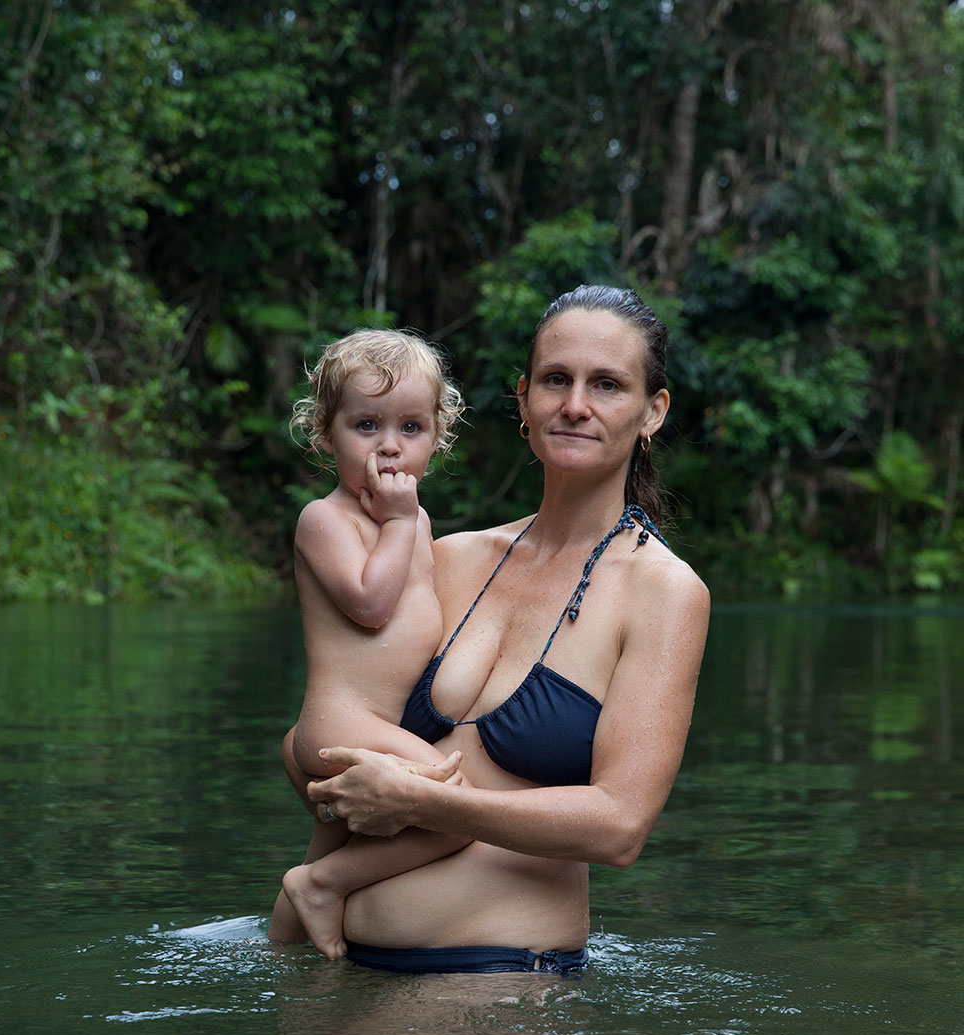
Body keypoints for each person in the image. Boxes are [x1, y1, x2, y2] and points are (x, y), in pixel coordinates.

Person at [279, 284, 711, 974]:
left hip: (498, 987)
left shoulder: (663, 592)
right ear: (524, 399)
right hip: (328, 971)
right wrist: (332, 787)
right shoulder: (446, 559)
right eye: (555, 380)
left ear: (651, 411)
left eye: (606, 384)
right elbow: (326, 729)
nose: (575, 404)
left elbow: (620, 827)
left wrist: (419, 799)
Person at [268, 328, 469, 958]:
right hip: (343, 722)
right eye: (366, 426)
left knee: (335, 839)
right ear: (326, 434)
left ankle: (279, 955)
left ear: (437, 437)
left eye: (411, 427)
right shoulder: (324, 519)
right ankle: (326, 887)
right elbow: (371, 604)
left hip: (367, 722)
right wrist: (400, 523)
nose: (390, 447)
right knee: (458, 813)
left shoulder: (417, 522)